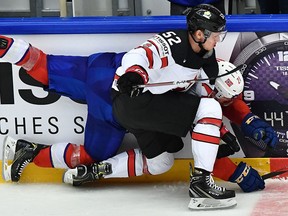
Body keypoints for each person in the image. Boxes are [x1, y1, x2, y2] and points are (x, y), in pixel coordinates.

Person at [1, 4, 276, 210]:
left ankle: (34, 153)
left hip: (109, 90)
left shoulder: (205, 58)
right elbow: (143, 55)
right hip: (122, 96)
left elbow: (223, 99)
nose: (220, 40)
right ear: (200, 33)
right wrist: (134, 75)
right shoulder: (176, 47)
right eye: (217, 34)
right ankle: (201, 188)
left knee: (142, 159)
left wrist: (249, 121)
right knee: (46, 69)